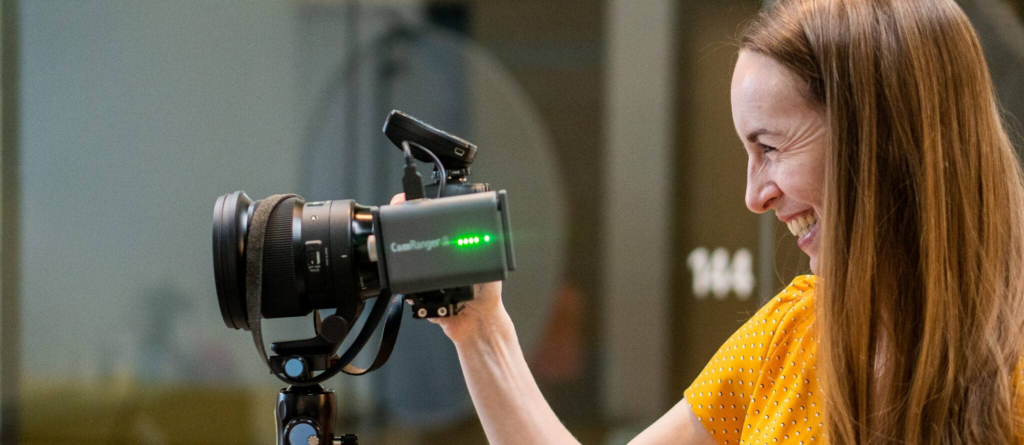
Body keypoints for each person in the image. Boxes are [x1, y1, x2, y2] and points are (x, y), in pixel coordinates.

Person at [395, 0, 1024, 442]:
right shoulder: (791, 334)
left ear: (881, 138)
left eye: (771, 148)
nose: (754, 196)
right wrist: (482, 332)